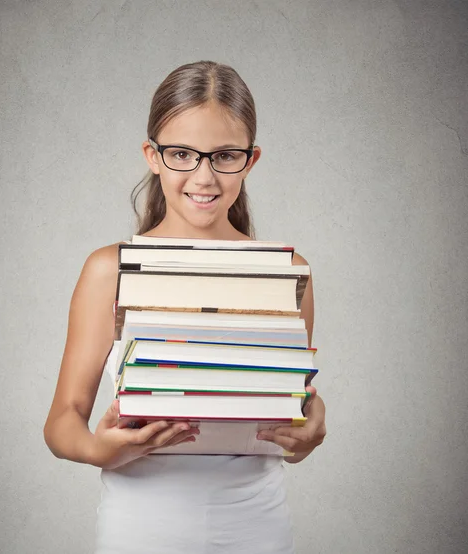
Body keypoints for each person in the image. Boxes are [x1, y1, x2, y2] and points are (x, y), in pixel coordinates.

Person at [44, 60, 327, 554]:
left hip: (258, 526)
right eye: (181, 154)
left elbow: (294, 415)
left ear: (251, 160)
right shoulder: (109, 268)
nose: (204, 176)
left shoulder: (288, 273)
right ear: (152, 156)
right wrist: (97, 449)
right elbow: (62, 421)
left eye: (224, 156)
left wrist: (309, 428)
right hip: (140, 528)